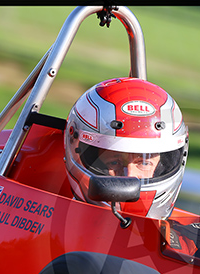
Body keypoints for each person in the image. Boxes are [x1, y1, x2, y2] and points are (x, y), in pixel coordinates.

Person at [64, 77, 188, 220]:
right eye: (114, 162)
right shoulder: (40, 220)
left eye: (144, 163)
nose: (129, 176)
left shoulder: (191, 239)